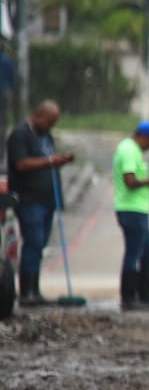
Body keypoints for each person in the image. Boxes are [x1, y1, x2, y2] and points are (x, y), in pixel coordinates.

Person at [4, 99, 74, 305]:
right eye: (50, 122)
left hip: (47, 199)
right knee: (32, 243)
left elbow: (49, 159)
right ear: (39, 115)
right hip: (29, 199)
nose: (51, 126)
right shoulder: (20, 134)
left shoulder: (46, 135)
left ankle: (35, 289)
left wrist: (60, 160)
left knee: (40, 244)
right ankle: (27, 292)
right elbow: (21, 163)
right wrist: (50, 161)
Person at [113, 121, 149, 311]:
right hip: (131, 209)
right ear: (143, 137)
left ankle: (145, 297)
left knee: (148, 252)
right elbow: (130, 181)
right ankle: (129, 299)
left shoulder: (131, 149)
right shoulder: (129, 150)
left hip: (137, 209)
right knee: (134, 253)